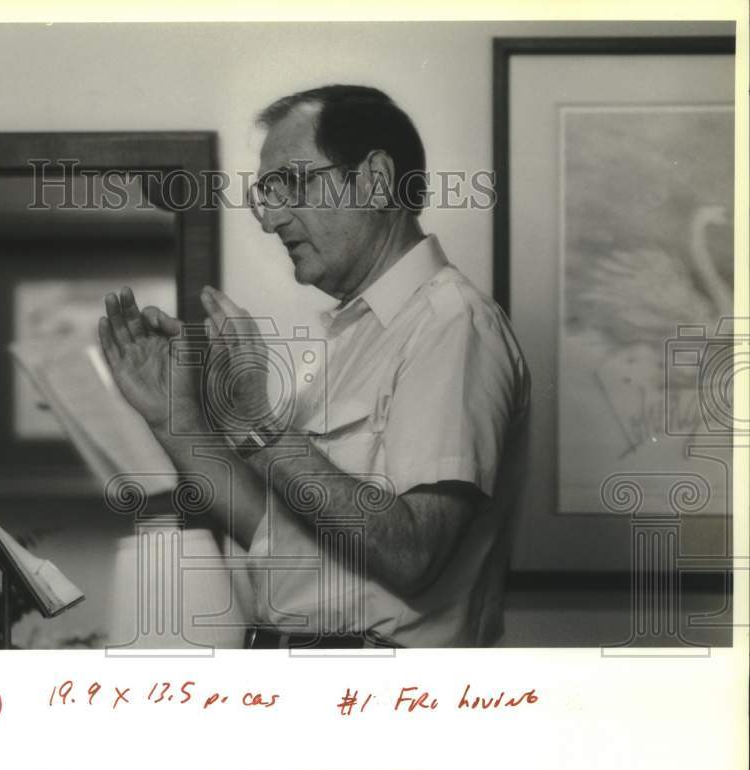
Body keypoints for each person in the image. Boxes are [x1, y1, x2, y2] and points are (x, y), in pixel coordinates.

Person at [98, 85, 530, 648]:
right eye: (264, 193)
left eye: (290, 184)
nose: (270, 217)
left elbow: (412, 552)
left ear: (375, 179)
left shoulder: (452, 325)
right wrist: (173, 417)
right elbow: (273, 534)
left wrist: (264, 425)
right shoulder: (360, 334)